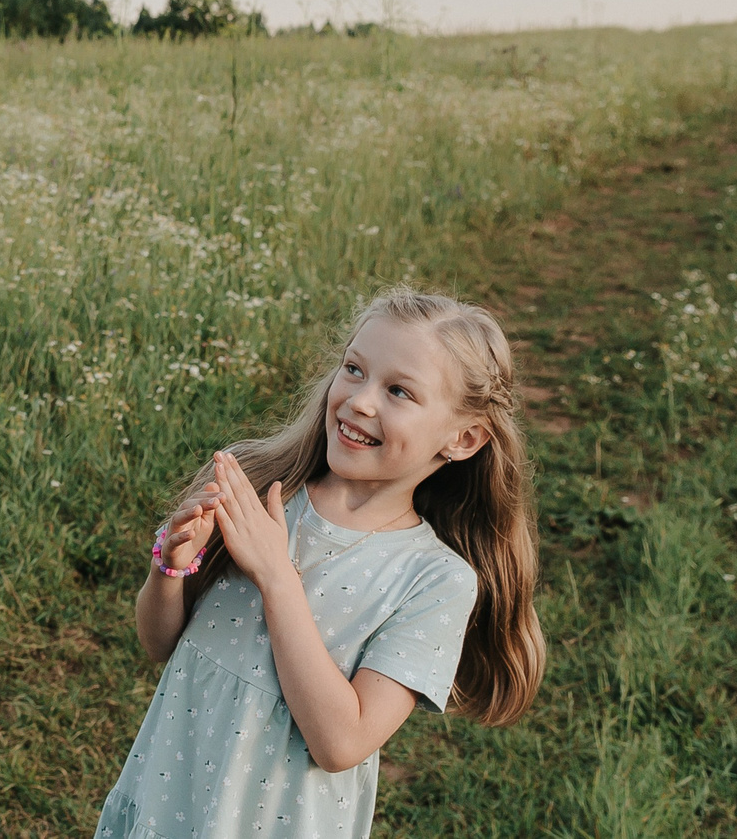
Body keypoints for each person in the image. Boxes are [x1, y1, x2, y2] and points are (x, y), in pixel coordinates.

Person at [96, 288, 546, 839]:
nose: (360, 401)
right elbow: (158, 643)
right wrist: (169, 570)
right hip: (166, 803)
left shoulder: (435, 580)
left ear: (464, 437)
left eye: (399, 391)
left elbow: (341, 743)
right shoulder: (254, 483)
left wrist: (277, 578)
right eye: (354, 369)